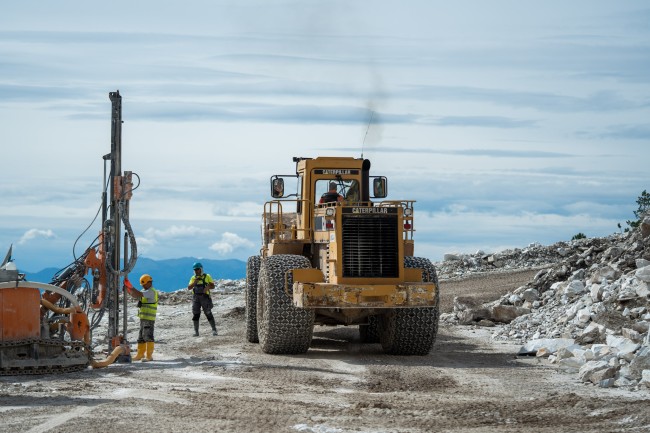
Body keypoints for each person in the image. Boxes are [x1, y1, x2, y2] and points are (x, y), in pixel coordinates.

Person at [125, 274, 158, 362]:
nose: (143, 286)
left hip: (149, 318)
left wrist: (130, 286)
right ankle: (140, 354)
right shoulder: (145, 290)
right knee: (141, 337)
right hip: (143, 318)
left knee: (148, 336)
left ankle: (149, 356)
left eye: (144, 284)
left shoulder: (151, 291)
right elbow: (136, 295)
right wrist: (128, 289)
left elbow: (138, 293)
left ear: (149, 282)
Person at [187, 262, 218, 336]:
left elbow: (213, 286)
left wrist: (207, 287)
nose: (196, 271)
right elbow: (189, 287)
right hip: (196, 298)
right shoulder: (193, 278)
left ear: (201, 269)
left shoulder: (207, 276)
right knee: (196, 314)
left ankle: (214, 330)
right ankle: (196, 332)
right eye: (195, 270)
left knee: (208, 313)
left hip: (205, 297)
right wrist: (194, 282)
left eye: (197, 269)